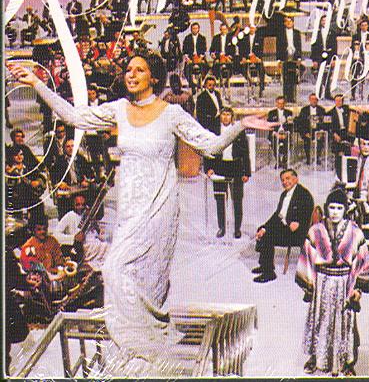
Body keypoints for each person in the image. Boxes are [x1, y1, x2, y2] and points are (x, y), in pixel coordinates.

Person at [8, 54, 271, 375]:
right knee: (115, 271)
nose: (131, 74)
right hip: (130, 211)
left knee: (148, 283)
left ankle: (146, 356)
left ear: (153, 78)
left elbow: (211, 146)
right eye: (128, 69)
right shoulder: (119, 109)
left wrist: (241, 126)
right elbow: (74, 117)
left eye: (140, 70)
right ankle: (136, 348)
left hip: (161, 210)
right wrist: (37, 84)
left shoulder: (171, 114)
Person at [296, 187, 369, 377]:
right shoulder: (315, 230)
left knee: (346, 323)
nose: (335, 212)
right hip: (322, 282)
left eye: (339, 208)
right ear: (326, 208)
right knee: (319, 320)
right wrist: (309, 286)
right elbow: (307, 258)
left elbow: (362, 260)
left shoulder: (355, 232)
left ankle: (347, 362)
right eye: (332, 207)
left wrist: (358, 288)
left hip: (345, 283)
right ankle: (316, 358)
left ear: (345, 209)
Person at [254, 168, 314, 282]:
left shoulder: (303, 194)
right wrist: (265, 228)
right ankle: (264, 265)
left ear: (295, 179)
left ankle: (269, 273)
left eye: (288, 178)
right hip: (285, 228)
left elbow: (307, 212)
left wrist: (298, 222)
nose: (285, 182)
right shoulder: (284, 194)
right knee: (262, 230)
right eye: (282, 180)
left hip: (297, 233)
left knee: (268, 236)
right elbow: (278, 215)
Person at [205, 107, 251, 239]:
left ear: (232, 117)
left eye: (228, 115)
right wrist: (208, 168)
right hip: (219, 167)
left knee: (237, 199)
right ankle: (222, 227)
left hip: (235, 167)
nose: (225, 117)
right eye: (223, 114)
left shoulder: (238, 131)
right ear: (220, 116)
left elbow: (245, 152)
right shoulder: (214, 131)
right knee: (220, 199)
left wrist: (246, 172)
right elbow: (208, 149)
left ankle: (237, 229)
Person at [297, 93, 327, 165]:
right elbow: (300, 123)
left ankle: (317, 157)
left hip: (318, 131)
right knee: (307, 140)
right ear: (309, 100)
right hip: (307, 132)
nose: (314, 101)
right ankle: (308, 158)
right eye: (312, 99)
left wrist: (321, 132)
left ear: (317, 100)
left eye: (315, 99)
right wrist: (305, 133)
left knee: (320, 139)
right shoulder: (304, 110)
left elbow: (325, 123)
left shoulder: (322, 110)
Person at [267, 96, 293, 168]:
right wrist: (276, 133)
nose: (281, 105)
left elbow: (291, 125)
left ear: (285, 104)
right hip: (275, 134)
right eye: (279, 103)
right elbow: (269, 125)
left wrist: (286, 133)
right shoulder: (271, 113)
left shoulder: (289, 112)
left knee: (288, 142)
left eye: (282, 103)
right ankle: (278, 161)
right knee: (274, 142)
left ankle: (284, 161)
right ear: (276, 103)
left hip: (285, 133)